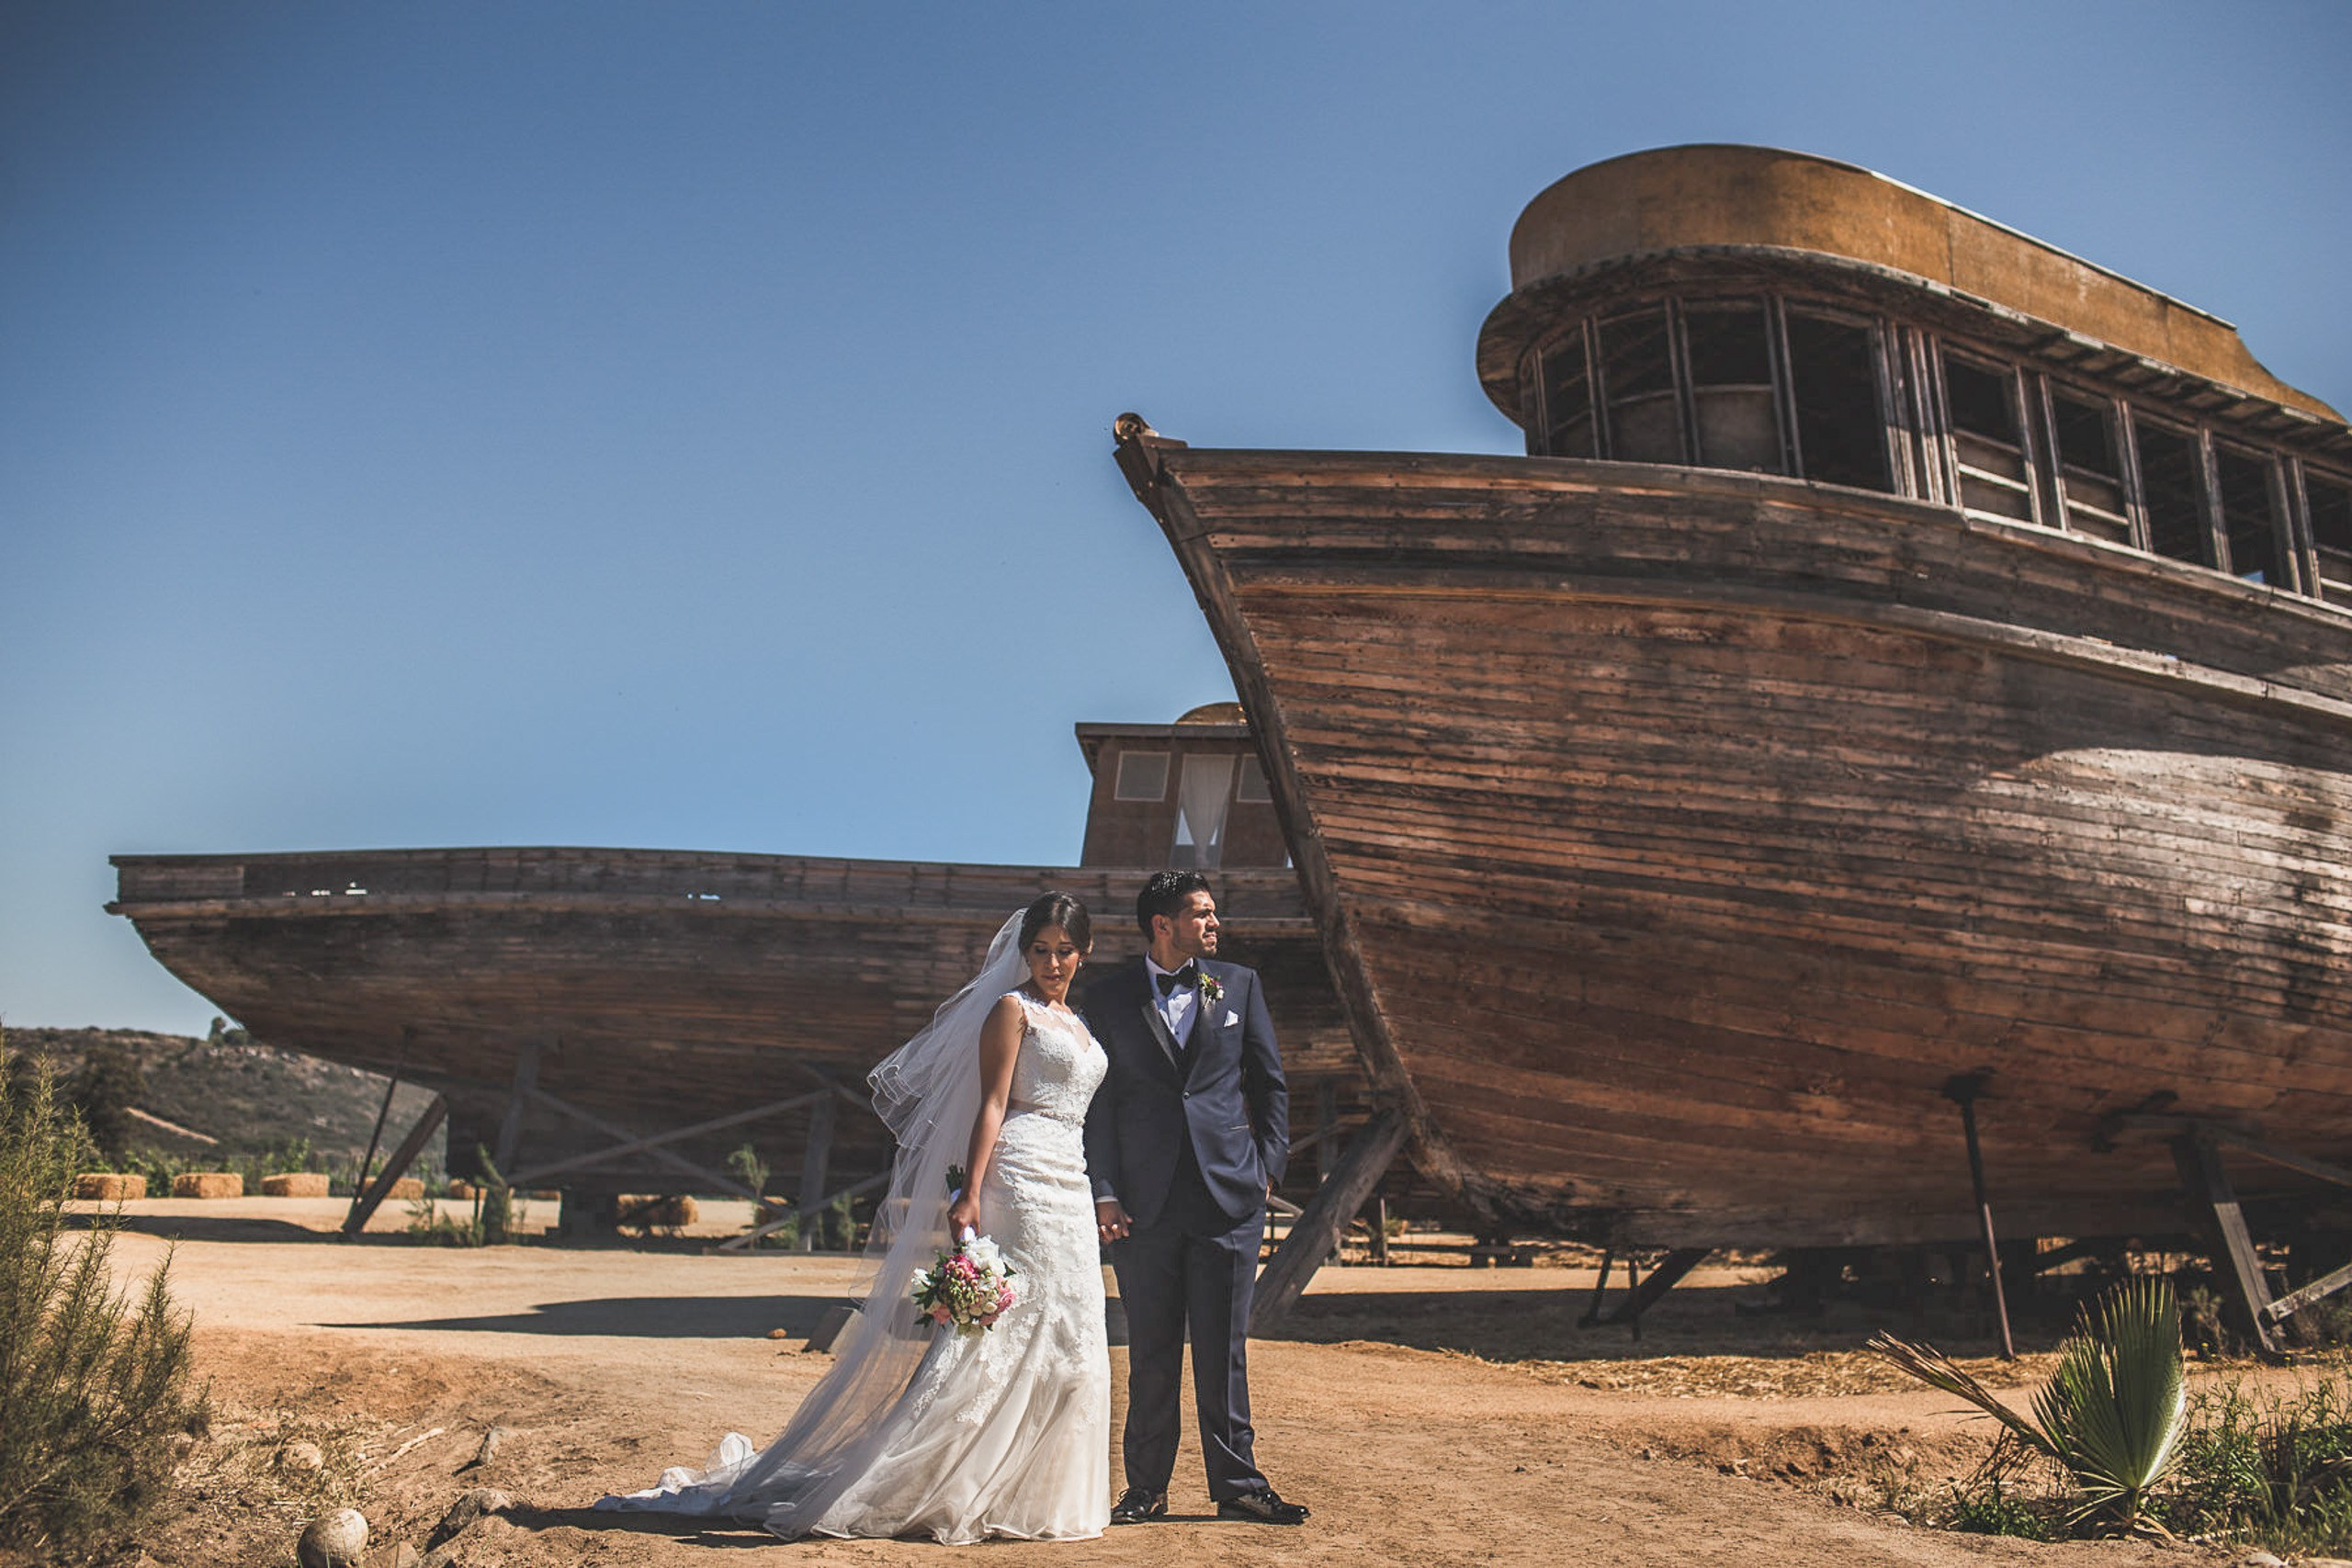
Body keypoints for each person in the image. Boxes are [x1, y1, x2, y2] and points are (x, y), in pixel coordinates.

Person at [594, 892, 1111, 1542]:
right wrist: (970, 1193)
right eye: (1040, 949)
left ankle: (1040, 1491)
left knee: (1077, 1331)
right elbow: (992, 1104)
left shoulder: (1081, 1025)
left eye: (1064, 950)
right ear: (1023, 951)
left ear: (1085, 951)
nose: (1052, 961)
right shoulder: (1013, 1010)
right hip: (1023, 1176)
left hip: (1073, 1179)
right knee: (1014, 1325)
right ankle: (947, 1478)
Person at [1082, 869, 1307, 1525]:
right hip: (1143, 1209)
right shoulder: (1111, 996)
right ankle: (1146, 1488)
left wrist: (1268, 1167)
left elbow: (1271, 1083)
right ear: (1163, 924)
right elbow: (1101, 1103)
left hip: (1228, 1198)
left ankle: (1238, 1485)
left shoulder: (1239, 984)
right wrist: (1104, 1190)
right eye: (1202, 914)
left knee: (1223, 1352)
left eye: (1213, 913)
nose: (1214, 923)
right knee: (1151, 1352)